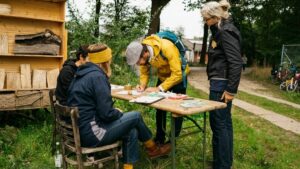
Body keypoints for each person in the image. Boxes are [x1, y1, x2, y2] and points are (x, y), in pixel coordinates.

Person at [67, 44, 171, 169]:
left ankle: (128, 166)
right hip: (93, 134)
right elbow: (107, 114)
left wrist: (113, 112)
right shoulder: (97, 77)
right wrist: (117, 112)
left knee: (132, 130)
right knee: (136, 116)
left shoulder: (81, 74)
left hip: (80, 131)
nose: (110, 63)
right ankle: (153, 148)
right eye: (109, 61)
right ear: (104, 62)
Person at [125, 34, 190, 146]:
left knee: (177, 110)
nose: (138, 64)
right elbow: (144, 72)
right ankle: (160, 139)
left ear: (144, 53)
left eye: (137, 61)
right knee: (159, 108)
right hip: (163, 77)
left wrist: (159, 88)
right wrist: (142, 85)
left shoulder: (166, 47)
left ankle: (172, 142)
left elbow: (177, 73)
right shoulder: (143, 53)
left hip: (178, 77)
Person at [201, 0, 243, 169]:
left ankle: (223, 165)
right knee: (224, 123)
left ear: (215, 16)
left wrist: (231, 90)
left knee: (219, 124)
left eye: (206, 19)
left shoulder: (225, 31)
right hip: (219, 82)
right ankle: (223, 161)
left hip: (221, 84)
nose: (205, 22)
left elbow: (236, 62)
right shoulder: (220, 29)